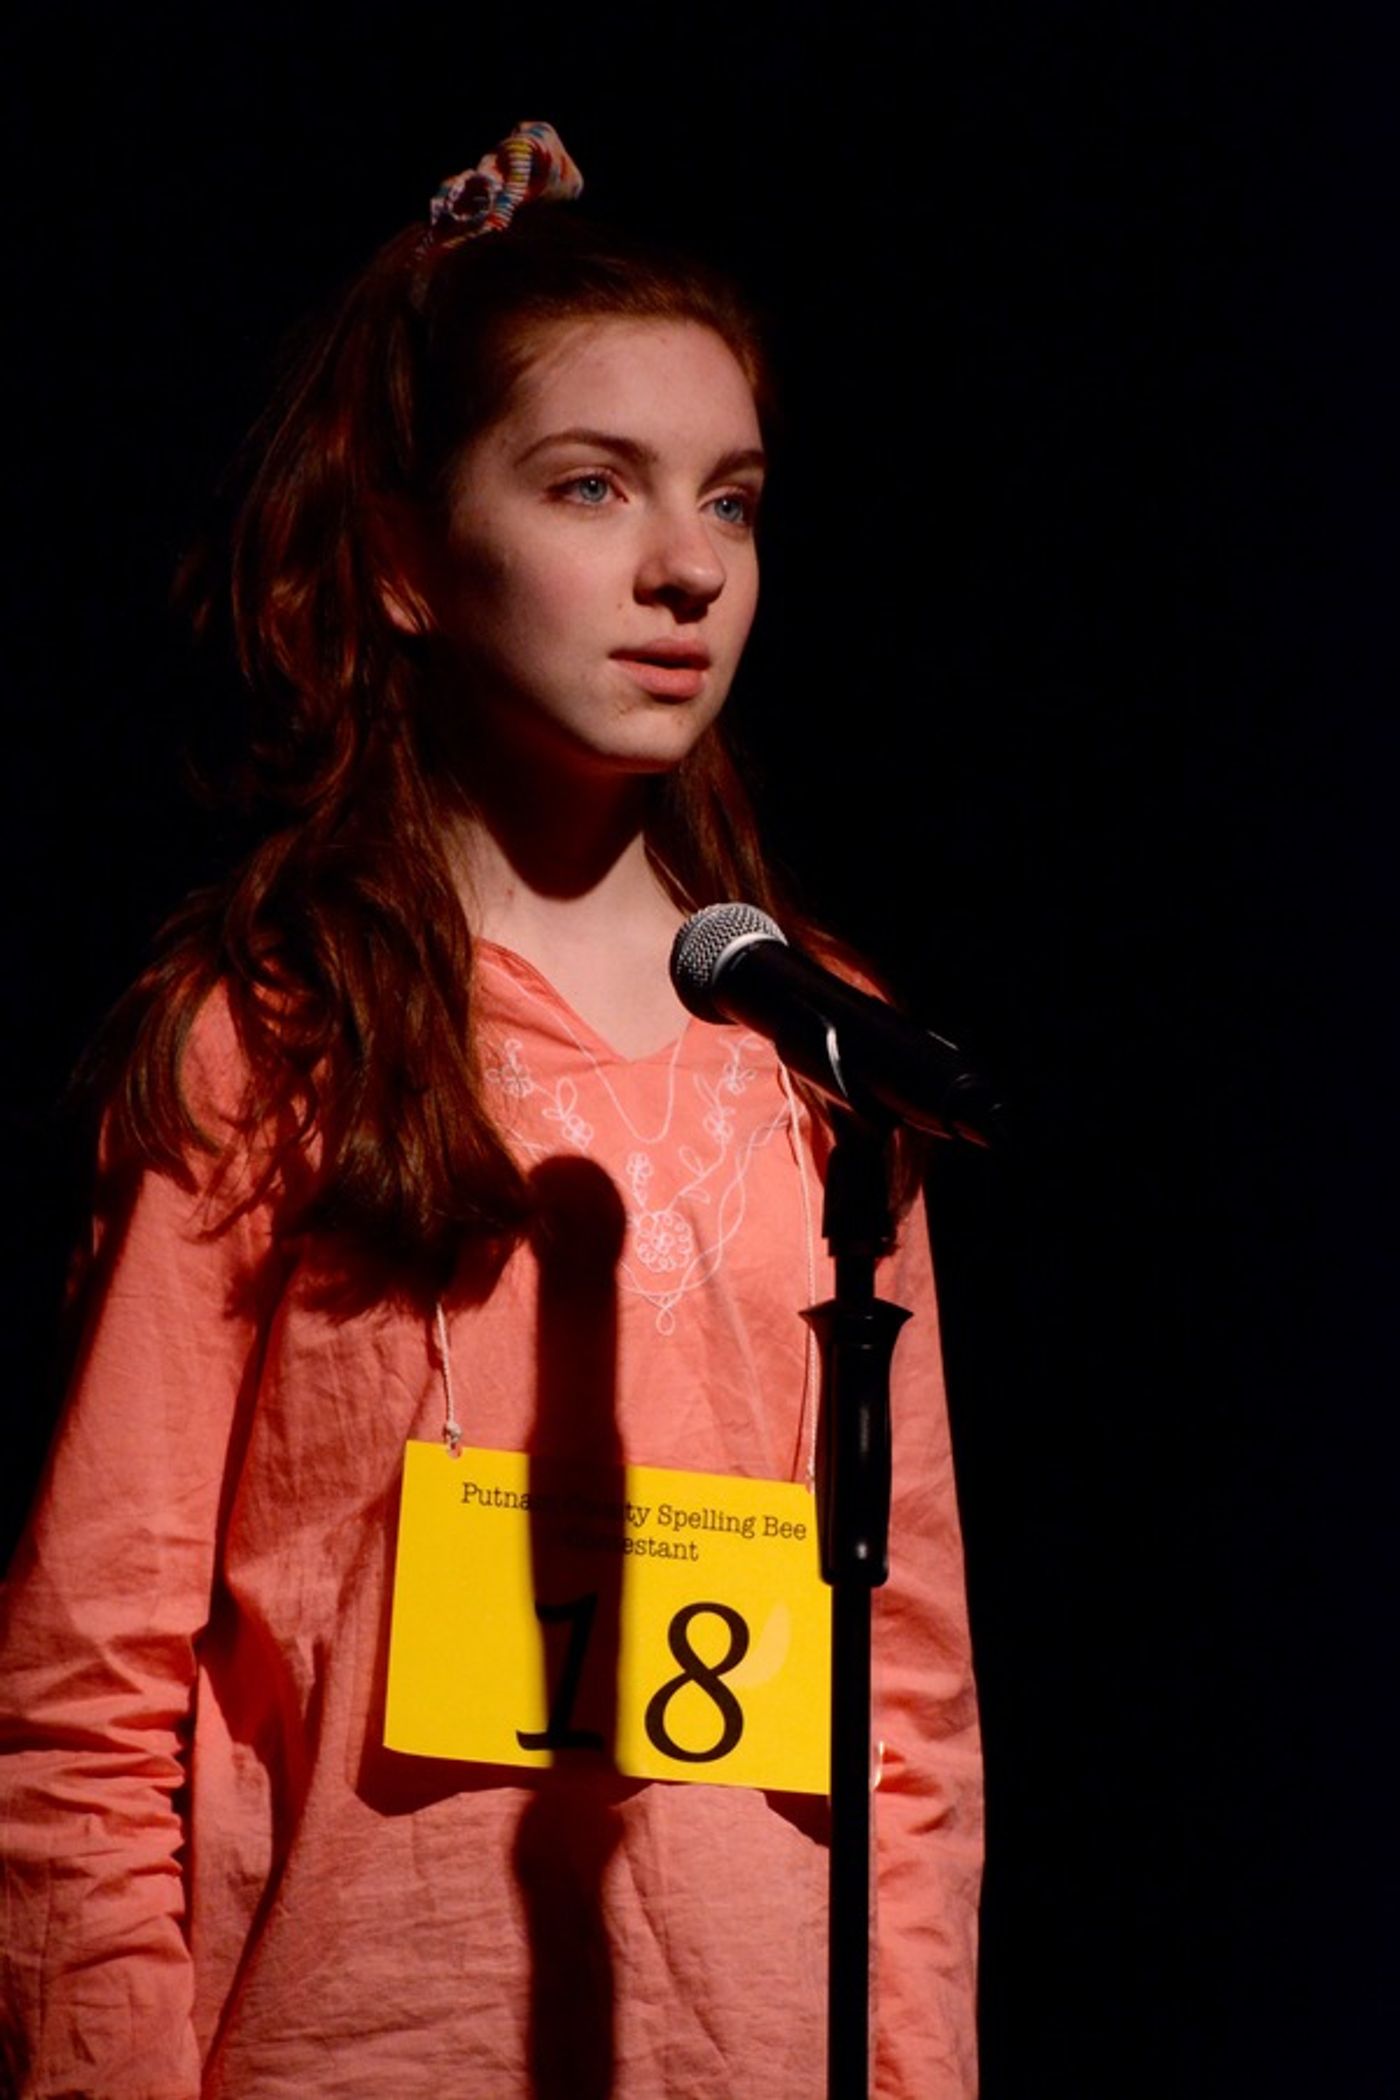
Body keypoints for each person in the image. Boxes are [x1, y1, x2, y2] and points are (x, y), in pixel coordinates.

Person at [0, 123, 981, 2097]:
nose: (686, 564)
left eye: (731, 499)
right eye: (590, 485)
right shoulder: (275, 1034)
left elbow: (908, 1697)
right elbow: (90, 1685)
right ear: (403, 561)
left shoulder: (818, 1048)